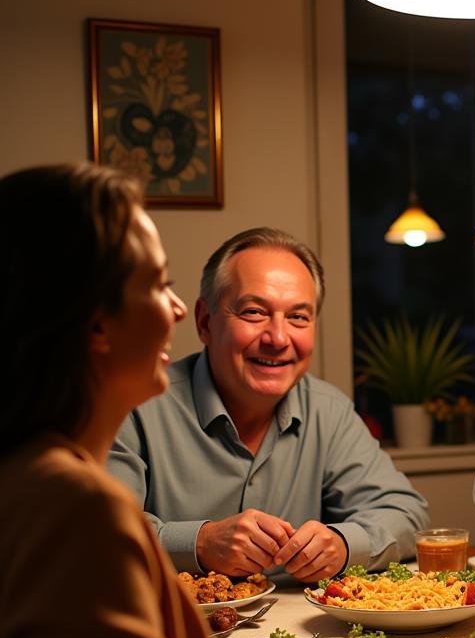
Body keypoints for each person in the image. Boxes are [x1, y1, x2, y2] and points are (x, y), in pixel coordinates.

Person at [0, 163, 257, 638]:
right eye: (158, 282)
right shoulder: (71, 507)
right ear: (95, 322)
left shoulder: (25, 476)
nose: (179, 309)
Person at [109, 228, 429, 582]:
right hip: (171, 630)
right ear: (204, 322)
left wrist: (343, 544)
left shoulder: (329, 411)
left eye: (298, 317)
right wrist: (198, 544)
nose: (278, 338)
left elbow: (406, 513)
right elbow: (98, 532)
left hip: (299, 633)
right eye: (254, 312)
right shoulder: (135, 402)